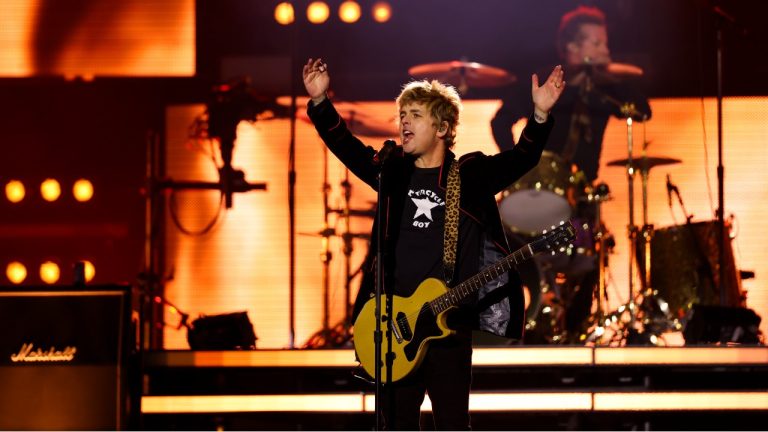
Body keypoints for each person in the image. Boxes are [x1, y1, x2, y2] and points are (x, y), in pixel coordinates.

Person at [303, 57, 564, 430]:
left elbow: (522, 158)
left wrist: (539, 115)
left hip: (447, 331)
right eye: (402, 114)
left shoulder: (470, 177)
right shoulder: (391, 171)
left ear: (442, 128)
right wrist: (320, 102)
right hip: (392, 326)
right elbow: (346, 146)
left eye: (415, 114)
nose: (404, 121)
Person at [490, 5, 652, 342]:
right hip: (536, 183)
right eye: (596, 43)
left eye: (605, 43)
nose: (605, 49)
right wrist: (515, 163)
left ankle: (576, 329)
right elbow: (499, 120)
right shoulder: (546, 83)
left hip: (580, 192)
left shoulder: (607, 88)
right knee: (512, 253)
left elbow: (643, 110)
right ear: (572, 48)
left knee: (595, 253)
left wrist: (611, 81)